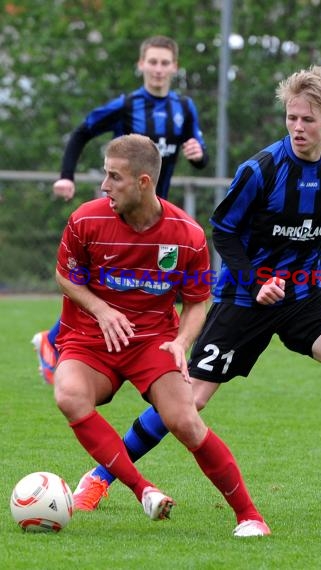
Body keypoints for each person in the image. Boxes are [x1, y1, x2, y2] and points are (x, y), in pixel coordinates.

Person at [73, 66, 321, 523]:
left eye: (308, 119)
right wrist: (254, 282)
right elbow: (222, 232)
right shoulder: (261, 169)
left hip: (305, 294)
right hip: (244, 298)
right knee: (190, 401)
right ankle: (100, 477)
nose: (298, 128)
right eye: (291, 118)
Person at [53, 133, 270, 538]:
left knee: (186, 421)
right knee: (68, 395)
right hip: (89, 339)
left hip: (154, 341)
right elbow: (66, 275)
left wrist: (181, 342)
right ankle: (142, 489)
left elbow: (197, 302)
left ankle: (250, 516)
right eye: (105, 174)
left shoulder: (186, 235)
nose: (104, 185)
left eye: (114, 177)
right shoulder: (86, 218)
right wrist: (101, 309)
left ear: (143, 182)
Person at [32, 35, 208, 385]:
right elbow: (82, 132)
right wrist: (65, 176)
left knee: (154, 289)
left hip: (159, 216)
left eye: (165, 63)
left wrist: (199, 155)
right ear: (141, 65)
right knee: (101, 283)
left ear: (174, 67)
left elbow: (197, 151)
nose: (158, 69)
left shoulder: (184, 109)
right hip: (122, 211)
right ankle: (55, 342)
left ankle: (143, 355)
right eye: (152, 62)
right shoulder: (127, 105)